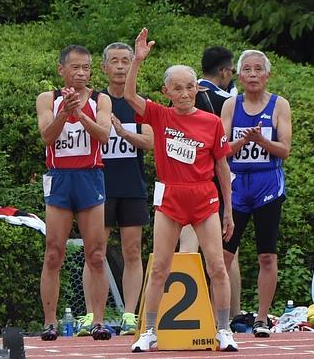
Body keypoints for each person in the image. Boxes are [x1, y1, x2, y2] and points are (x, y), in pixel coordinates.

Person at [125, 28, 238, 352]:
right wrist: (137, 60)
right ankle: (148, 331)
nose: (185, 92)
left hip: (204, 197)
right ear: (167, 91)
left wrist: (228, 210)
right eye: (178, 88)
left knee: (217, 265)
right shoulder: (159, 115)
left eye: (190, 86)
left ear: (197, 87)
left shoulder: (211, 122)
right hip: (171, 195)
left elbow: (222, 167)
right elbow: (130, 97)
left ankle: (224, 329)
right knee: (159, 266)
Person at [37, 45, 113, 341]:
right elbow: (46, 136)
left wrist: (79, 113)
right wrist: (64, 114)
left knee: (96, 253)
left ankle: (98, 320)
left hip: (90, 177)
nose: (81, 73)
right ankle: (50, 321)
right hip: (60, 178)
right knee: (53, 252)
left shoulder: (99, 99)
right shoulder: (48, 99)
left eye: (86, 68)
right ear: (62, 70)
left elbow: (104, 135)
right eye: (75, 68)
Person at [80, 42, 153, 336]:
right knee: (94, 252)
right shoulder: (97, 101)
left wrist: (123, 132)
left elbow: (149, 141)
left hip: (132, 186)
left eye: (126, 61)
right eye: (115, 61)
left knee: (132, 251)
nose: (121, 66)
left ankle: (129, 314)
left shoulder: (140, 103)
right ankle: (90, 315)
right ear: (104, 67)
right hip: (100, 186)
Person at [221, 49, 292, 338]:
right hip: (237, 185)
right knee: (223, 255)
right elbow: (222, 148)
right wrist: (242, 141)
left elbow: (285, 149)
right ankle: (220, 318)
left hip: (267, 185)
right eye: (247, 70)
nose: (252, 74)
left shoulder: (279, 105)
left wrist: (261, 139)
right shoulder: (230, 105)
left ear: (267, 75)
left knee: (267, 256)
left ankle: (262, 319)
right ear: (239, 75)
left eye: (257, 69)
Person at [178, 46, 243, 319]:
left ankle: (188, 310)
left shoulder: (186, 99)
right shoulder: (227, 101)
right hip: (212, 179)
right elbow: (225, 149)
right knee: (226, 250)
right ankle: (230, 315)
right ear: (226, 71)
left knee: (190, 243)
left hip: (184, 178)